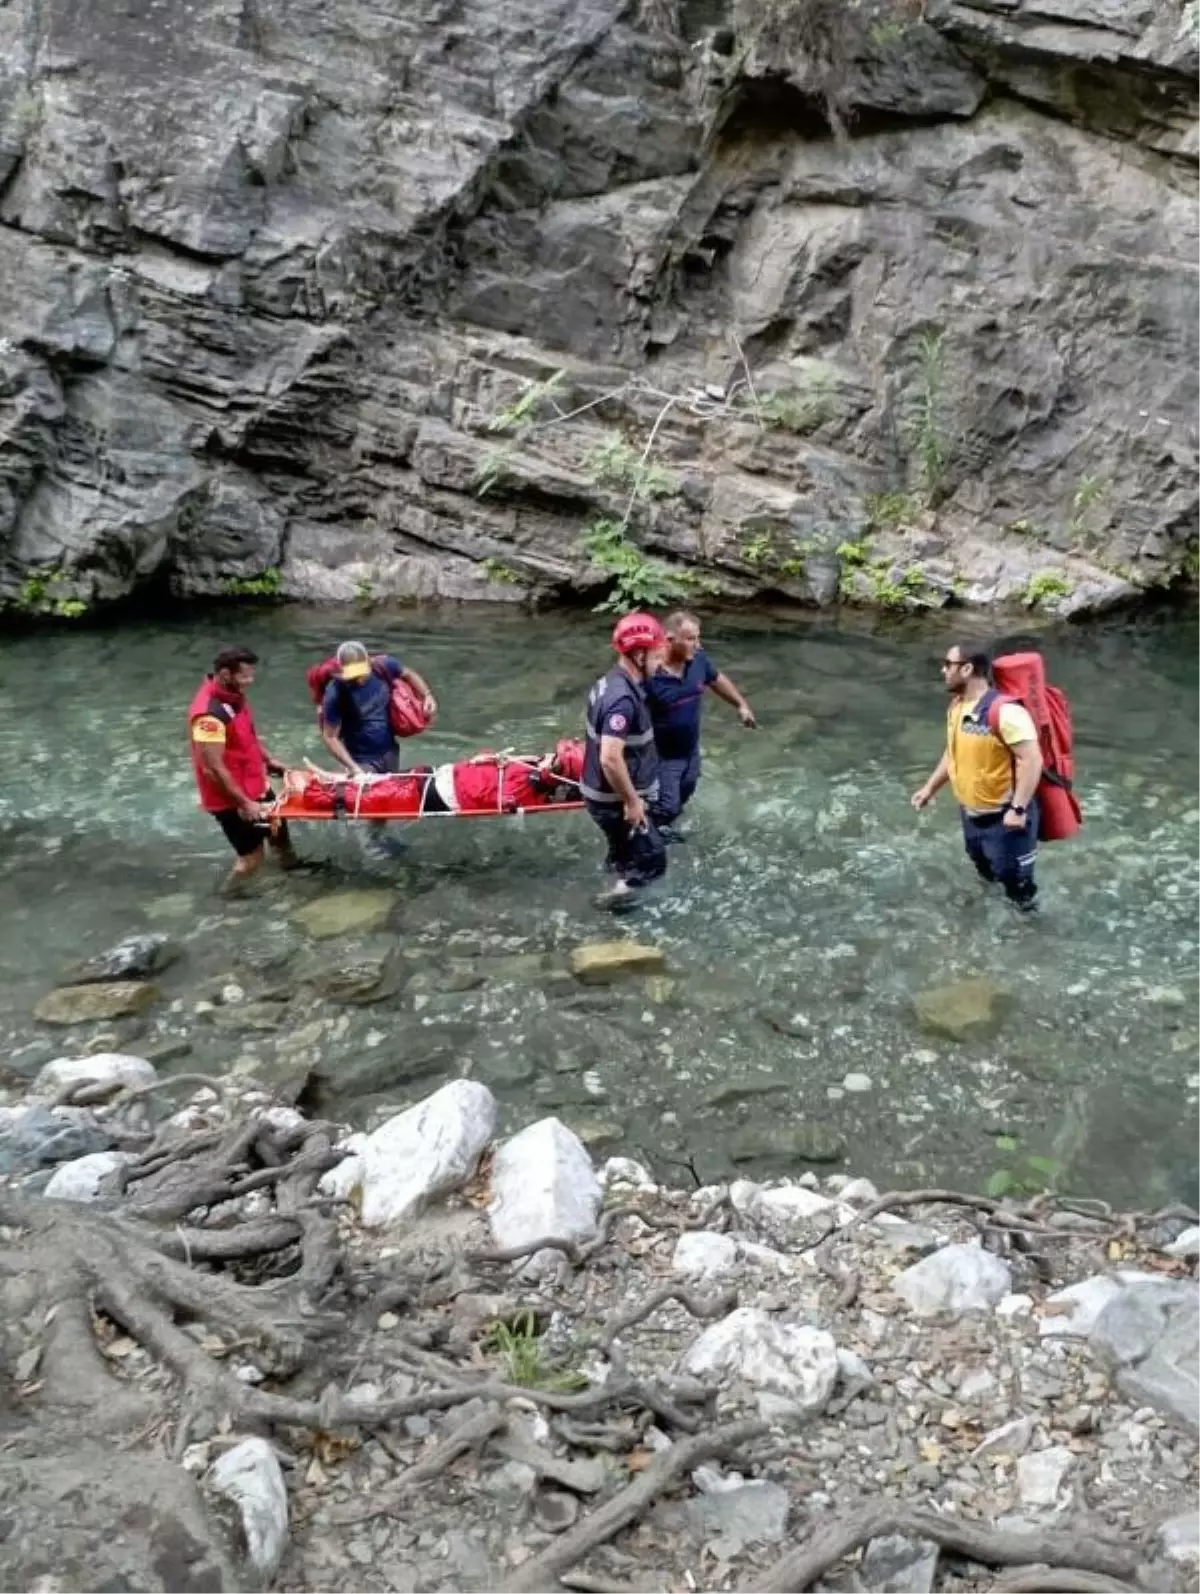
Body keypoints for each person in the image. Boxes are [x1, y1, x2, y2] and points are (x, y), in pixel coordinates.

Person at [911, 644, 1044, 910]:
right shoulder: (957, 707)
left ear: (967, 668)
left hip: (1006, 821)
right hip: (972, 817)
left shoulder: (1006, 713)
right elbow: (953, 753)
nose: (943, 670)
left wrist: (1018, 809)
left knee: (1019, 891)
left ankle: (1032, 937)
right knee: (985, 872)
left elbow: (1031, 759)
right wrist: (930, 788)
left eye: (948, 664)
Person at [188, 646, 299, 881]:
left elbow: (246, 735)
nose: (250, 681)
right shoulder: (209, 717)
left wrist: (267, 760)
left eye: (251, 674)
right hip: (232, 798)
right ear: (226, 674)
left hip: (256, 784)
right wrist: (245, 803)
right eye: (245, 676)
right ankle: (233, 897)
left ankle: (292, 871)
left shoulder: (233, 696)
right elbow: (212, 768)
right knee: (251, 858)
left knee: (279, 832)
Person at [580, 612, 668, 907]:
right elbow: (609, 758)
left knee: (623, 849)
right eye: (656, 656)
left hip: (601, 794)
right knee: (651, 861)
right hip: (613, 800)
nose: (660, 663)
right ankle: (615, 910)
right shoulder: (622, 700)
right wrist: (631, 801)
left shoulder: (609, 682)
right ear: (639, 654)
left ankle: (616, 870)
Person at [645, 610, 757, 839]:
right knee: (667, 805)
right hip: (661, 757)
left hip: (690, 751)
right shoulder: (650, 676)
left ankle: (663, 827)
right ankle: (649, 838)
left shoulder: (698, 660)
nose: (697, 644)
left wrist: (741, 705)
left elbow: (716, 679)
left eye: (697, 637)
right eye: (690, 639)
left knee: (685, 792)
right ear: (669, 639)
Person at [319, 640, 438, 776]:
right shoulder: (336, 693)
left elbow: (408, 674)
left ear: (368, 662)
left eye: (362, 673)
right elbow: (330, 736)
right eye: (353, 675)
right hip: (361, 761)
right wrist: (353, 768)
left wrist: (427, 695)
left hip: (390, 752)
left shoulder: (383, 667)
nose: (359, 679)